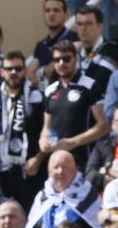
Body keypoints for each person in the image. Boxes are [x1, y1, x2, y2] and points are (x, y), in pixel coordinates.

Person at [0, 51, 47, 206]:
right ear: (1, 72)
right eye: (9, 69)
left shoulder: (37, 96)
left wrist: (38, 160)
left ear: (24, 71)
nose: (13, 73)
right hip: (0, 174)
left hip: (29, 172)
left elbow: (48, 133)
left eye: (18, 69)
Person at [36, 41, 107, 171]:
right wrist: (43, 140)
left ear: (76, 58)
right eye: (57, 60)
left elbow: (104, 125)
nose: (62, 63)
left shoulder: (90, 86)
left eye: (66, 59)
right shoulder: (49, 90)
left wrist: (73, 142)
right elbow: (46, 127)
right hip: (57, 163)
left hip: (84, 161)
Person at [26, 150, 105, 228]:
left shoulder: (86, 193)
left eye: (65, 167)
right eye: (56, 167)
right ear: (49, 172)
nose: (60, 171)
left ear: (75, 170)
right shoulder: (42, 196)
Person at [27, 0, 78, 82]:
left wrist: (40, 72)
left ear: (66, 15)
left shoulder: (74, 38)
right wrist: (42, 74)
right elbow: (30, 73)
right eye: (47, 10)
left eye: (56, 10)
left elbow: (53, 69)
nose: (51, 14)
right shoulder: (41, 45)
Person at [74, 5, 118, 92]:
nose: (83, 28)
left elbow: (99, 82)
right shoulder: (75, 52)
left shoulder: (111, 49)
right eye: (80, 24)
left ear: (99, 26)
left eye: (88, 23)